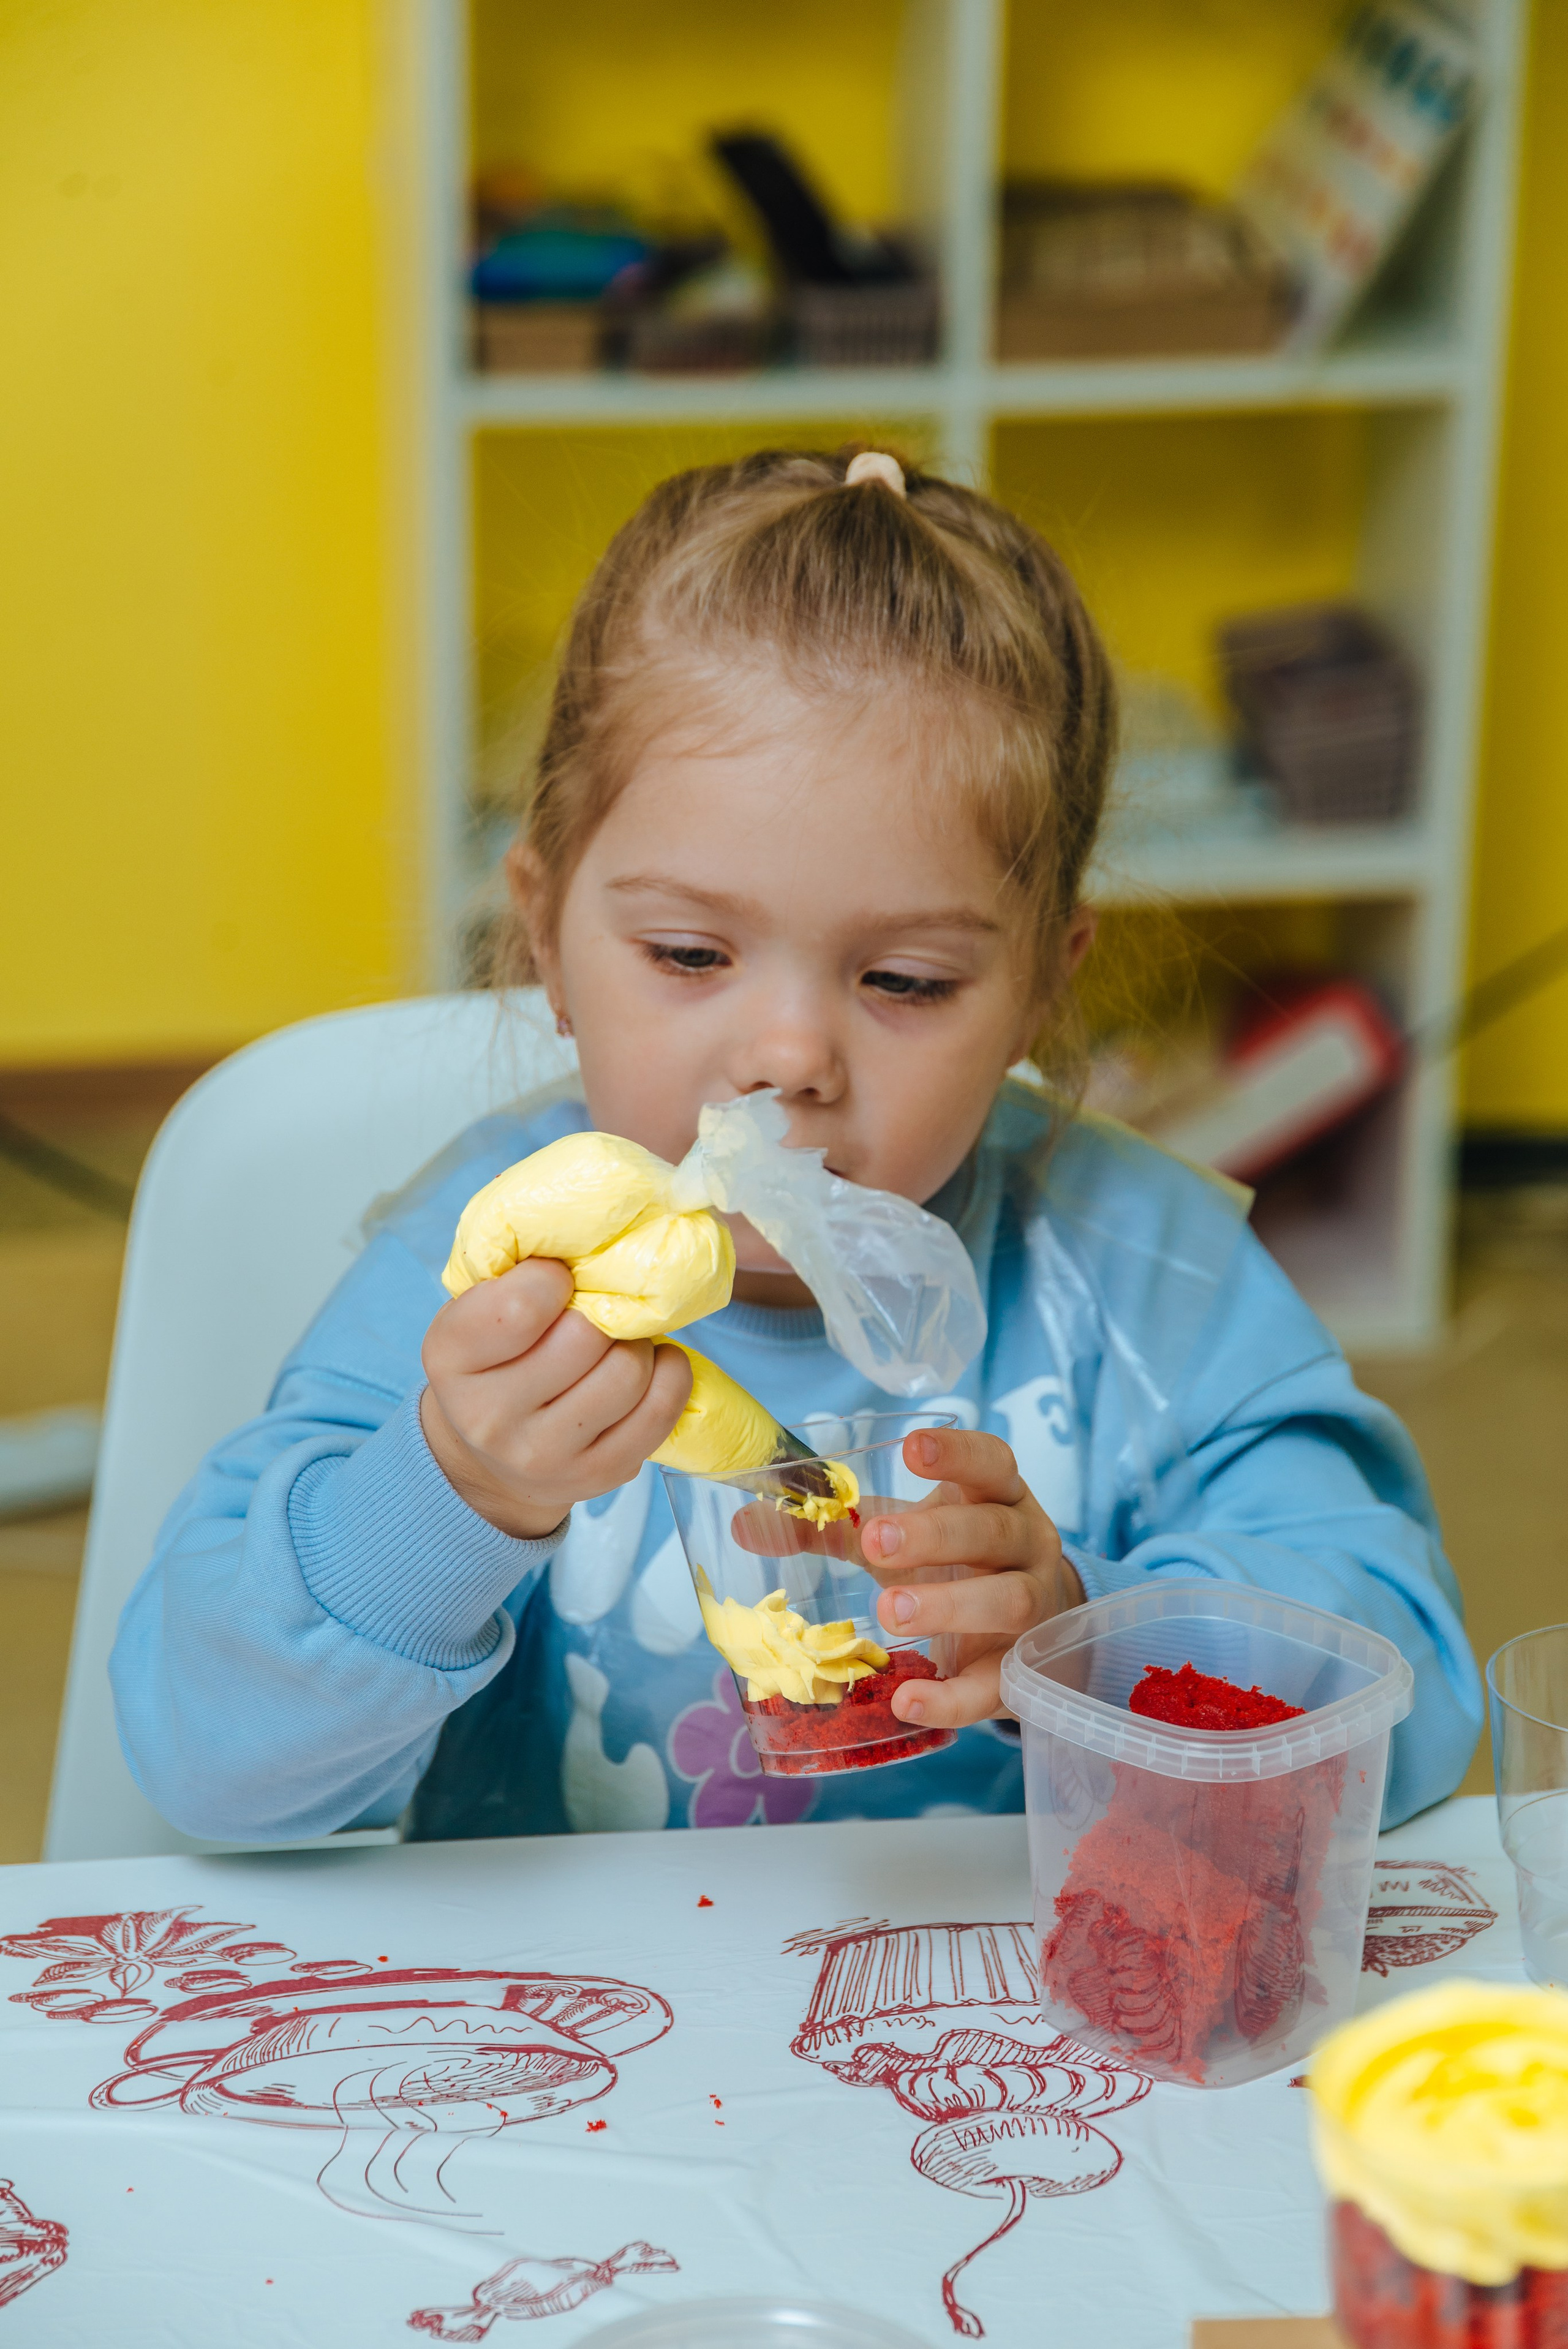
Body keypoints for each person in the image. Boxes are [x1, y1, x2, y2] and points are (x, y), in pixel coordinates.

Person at [110, 445, 1481, 1843]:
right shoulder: (467, 1287)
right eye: (691, 952)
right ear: (546, 936)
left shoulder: (1139, 1279)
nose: (788, 1058)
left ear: (1041, 985)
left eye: (904, 983)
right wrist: (450, 1495)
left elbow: (1412, 1700)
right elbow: (206, 1770)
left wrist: (1089, 1636)